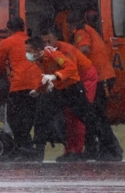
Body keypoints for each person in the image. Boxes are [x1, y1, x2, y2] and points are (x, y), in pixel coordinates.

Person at [27, 31, 100, 163]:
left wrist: (56, 76)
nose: (27, 55)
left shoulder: (56, 53)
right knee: (42, 114)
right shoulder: (40, 59)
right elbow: (45, 75)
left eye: (29, 51)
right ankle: (39, 150)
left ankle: (93, 147)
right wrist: (38, 90)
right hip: (59, 88)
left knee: (85, 117)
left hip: (72, 87)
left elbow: (71, 67)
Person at [69, 10, 123, 161]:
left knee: (97, 115)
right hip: (102, 77)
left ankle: (111, 148)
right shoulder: (89, 29)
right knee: (95, 115)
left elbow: (84, 49)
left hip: (101, 78)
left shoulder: (81, 31)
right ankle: (98, 148)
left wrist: (70, 61)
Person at [0, 16, 41, 160]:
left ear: (9, 29)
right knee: (30, 117)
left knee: (15, 119)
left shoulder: (7, 43)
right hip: (37, 84)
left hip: (19, 85)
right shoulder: (31, 41)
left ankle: (24, 147)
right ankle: (30, 147)